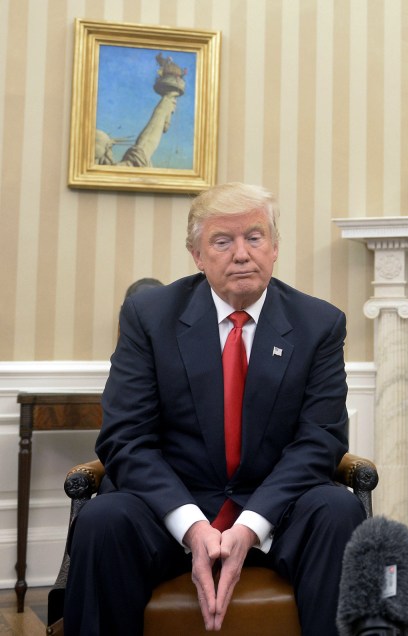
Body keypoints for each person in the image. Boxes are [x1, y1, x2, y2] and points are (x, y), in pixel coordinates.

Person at [65, 182, 366, 635]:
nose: (241, 254)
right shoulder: (149, 316)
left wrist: (250, 525)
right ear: (197, 255)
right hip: (171, 507)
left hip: (275, 509)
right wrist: (191, 526)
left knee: (337, 508)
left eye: (254, 237)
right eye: (222, 242)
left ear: (275, 246)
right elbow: (126, 438)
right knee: (103, 519)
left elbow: (320, 440)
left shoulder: (319, 324)